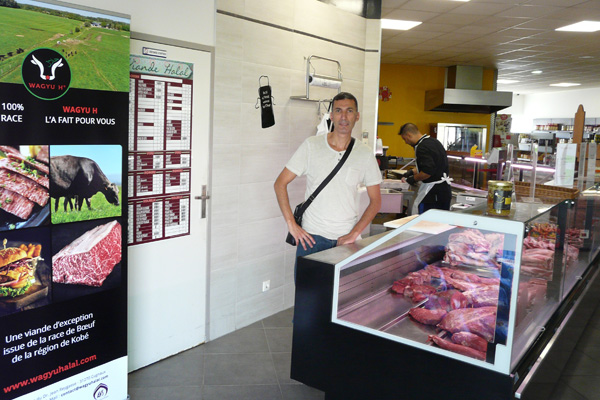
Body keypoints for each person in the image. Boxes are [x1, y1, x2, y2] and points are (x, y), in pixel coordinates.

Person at [274, 92, 382, 262]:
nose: (344, 117)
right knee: (308, 289)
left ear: (357, 116)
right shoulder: (312, 146)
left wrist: (355, 233)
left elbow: (376, 201)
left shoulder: (365, 154)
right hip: (311, 239)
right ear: (331, 116)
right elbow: (280, 183)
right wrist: (291, 225)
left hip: (346, 240)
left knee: (343, 289)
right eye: (338, 111)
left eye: (349, 111)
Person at [398, 123, 452, 214]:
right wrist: (412, 171)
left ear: (408, 135)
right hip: (444, 191)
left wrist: (413, 179)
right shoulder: (433, 141)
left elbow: (427, 172)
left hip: (433, 194)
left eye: (404, 139)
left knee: (425, 222)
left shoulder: (422, 147)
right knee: (440, 224)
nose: (405, 142)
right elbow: (434, 164)